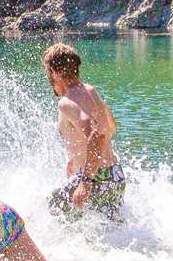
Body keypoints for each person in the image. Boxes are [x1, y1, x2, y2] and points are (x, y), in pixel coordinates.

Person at [42, 43, 127, 219]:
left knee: (52, 209)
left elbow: (95, 136)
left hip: (95, 178)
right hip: (115, 174)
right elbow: (111, 127)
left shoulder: (66, 102)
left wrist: (85, 181)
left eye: (48, 72)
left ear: (54, 72)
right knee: (108, 232)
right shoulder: (90, 90)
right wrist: (76, 160)